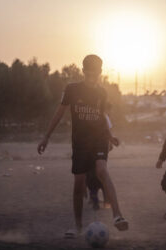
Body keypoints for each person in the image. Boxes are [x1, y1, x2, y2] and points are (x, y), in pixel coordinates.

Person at [37, 54, 128, 237]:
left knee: (102, 170)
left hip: (98, 140)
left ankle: (117, 215)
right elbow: (59, 113)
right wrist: (46, 137)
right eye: (90, 72)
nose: (93, 76)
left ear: (100, 72)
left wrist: (110, 136)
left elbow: (103, 117)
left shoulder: (101, 93)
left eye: (96, 72)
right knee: (79, 184)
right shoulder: (72, 89)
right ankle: (78, 227)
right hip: (80, 143)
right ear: (84, 71)